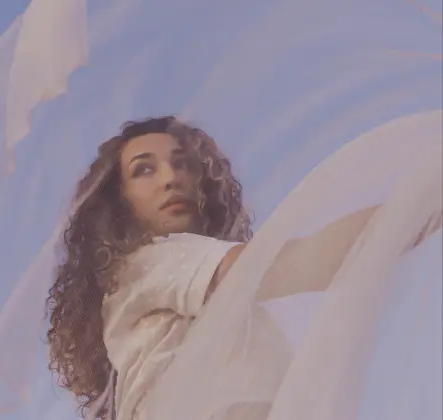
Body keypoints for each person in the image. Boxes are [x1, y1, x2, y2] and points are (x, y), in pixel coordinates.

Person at [45, 116, 441, 420]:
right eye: (144, 169)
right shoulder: (153, 262)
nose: (171, 178)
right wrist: (417, 204)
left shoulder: (207, 289)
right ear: (118, 201)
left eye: (183, 164)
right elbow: (301, 262)